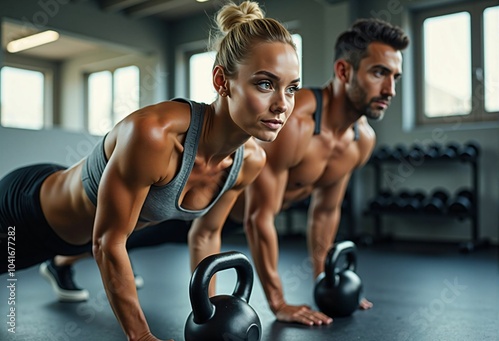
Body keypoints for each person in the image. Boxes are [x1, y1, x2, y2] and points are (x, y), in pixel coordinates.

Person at [0, 1, 300, 340]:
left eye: (291, 88)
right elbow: (108, 242)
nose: (283, 104)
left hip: (76, 239)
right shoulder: (154, 136)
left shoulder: (249, 162)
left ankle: (58, 266)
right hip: (24, 214)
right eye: (265, 84)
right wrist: (142, 336)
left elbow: (204, 235)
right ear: (222, 81)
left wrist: (210, 314)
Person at [240, 18, 409, 326]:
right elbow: (257, 217)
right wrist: (278, 302)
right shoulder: (296, 122)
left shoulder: (362, 140)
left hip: (240, 219)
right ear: (344, 71)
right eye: (379, 73)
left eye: (395, 77)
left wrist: (327, 282)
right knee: (132, 230)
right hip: (201, 209)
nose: (391, 90)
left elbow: (325, 212)